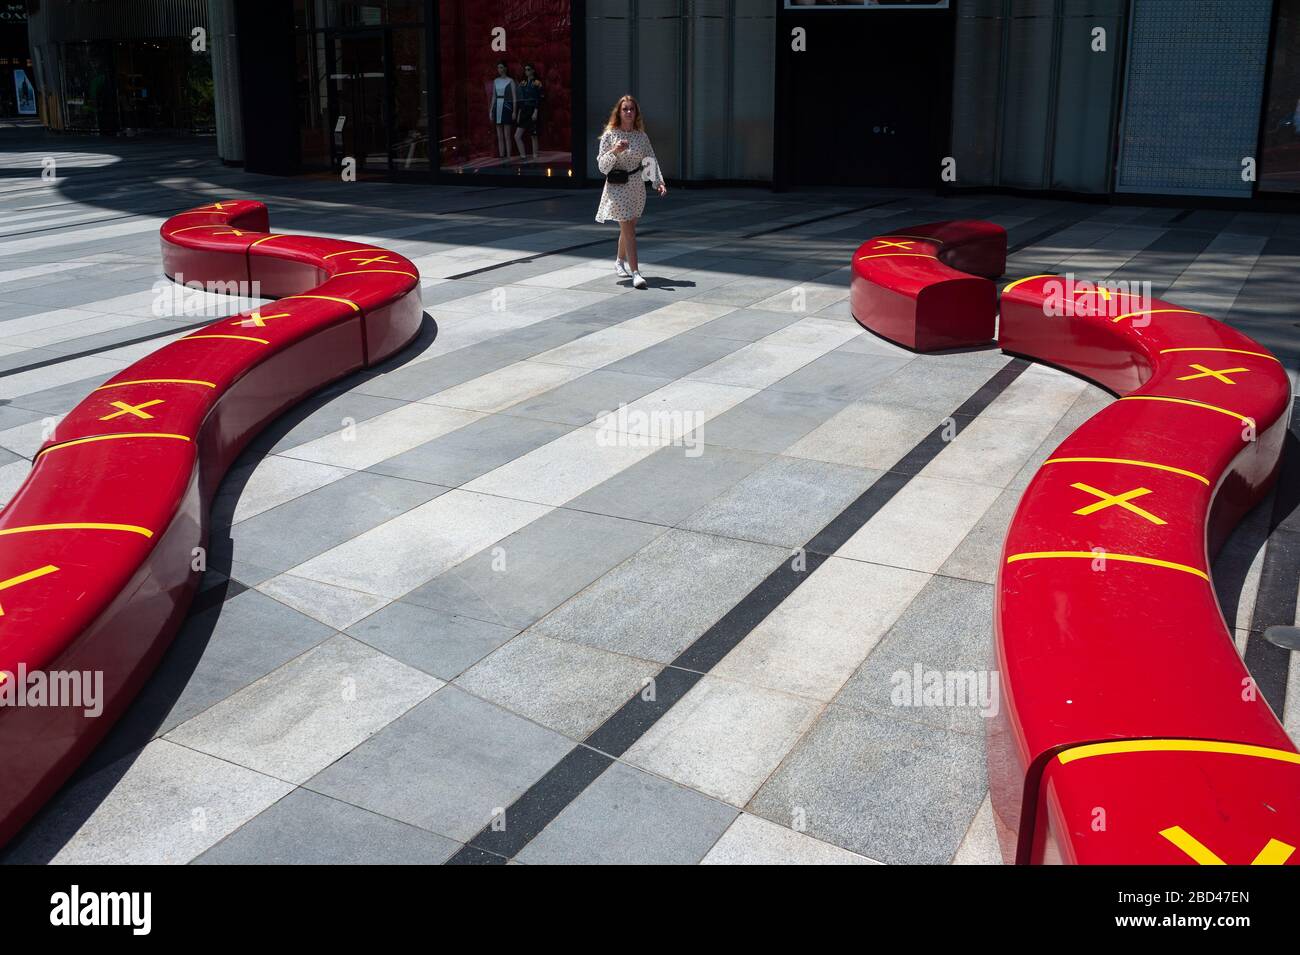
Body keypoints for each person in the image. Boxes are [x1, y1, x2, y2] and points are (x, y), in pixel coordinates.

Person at [595, 94, 667, 289]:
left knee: (628, 228)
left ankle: (619, 260)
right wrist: (615, 151)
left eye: (631, 109)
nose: (628, 112)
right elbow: (602, 166)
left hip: (636, 185)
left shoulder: (641, 136)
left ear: (636, 113)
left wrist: (658, 182)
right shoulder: (610, 135)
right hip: (617, 186)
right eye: (625, 109)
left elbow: (650, 159)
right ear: (619, 112)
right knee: (629, 230)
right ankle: (636, 273)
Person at [513, 63, 544, 160]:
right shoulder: (522, 83)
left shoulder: (537, 83)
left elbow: (539, 98)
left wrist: (536, 111)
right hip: (524, 110)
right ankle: (523, 156)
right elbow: (520, 99)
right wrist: (519, 112)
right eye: (525, 69)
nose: (527, 71)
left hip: (532, 109)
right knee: (517, 136)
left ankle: (535, 156)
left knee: (533, 135)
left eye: (529, 69)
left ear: (533, 70)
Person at [488, 61, 516, 161]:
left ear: (505, 68)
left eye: (501, 67)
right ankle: (501, 156)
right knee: (499, 134)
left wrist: (514, 111)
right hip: (497, 107)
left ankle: (508, 156)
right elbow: (493, 97)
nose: (499, 69)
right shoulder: (495, 81)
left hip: (506, 107)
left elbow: (514, 97)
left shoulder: (511, 81)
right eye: (498, 67)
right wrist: (491, 110)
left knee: (507, 134)